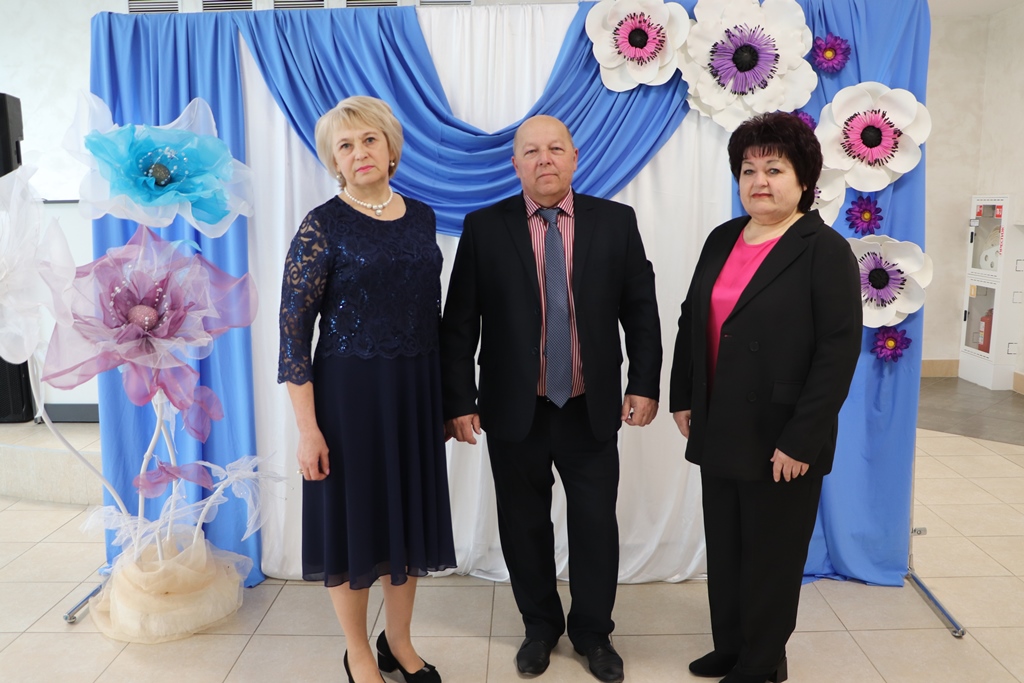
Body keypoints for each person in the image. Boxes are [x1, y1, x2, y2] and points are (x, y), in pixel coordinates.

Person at [440, 115, 662, 683]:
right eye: (532, 151)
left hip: (590, 405)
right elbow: (459, 324)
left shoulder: (615, 222)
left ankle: (593, 633)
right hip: (514, 408)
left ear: (574, 157)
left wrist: (643, 383)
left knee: (595, 525)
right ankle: (539, 627)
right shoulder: (484, 228)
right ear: (515, 163)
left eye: (556, 148)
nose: (545, 159)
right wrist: (459, 400)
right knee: (523, 525)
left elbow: (641, 310)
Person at [670, 112, 862, 683]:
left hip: (782, 433)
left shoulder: (824, 249)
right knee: (727, 548)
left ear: (803, 179)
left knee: (771, 557)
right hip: (719, 422)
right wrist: (684, 393)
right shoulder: (723, 238)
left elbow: (837, 353)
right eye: (748, 169)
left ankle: (762, 663)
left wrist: (802, 439)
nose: (759, 181)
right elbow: (691, 318)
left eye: (774, 169)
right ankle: (730, 647)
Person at [278, 96, 456, 683]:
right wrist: (308, 430)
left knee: (405, 520)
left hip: (413, 394)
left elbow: (433, 314)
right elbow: (292, 337)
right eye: (346, 145)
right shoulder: (321, 225)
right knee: (354, 526)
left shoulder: (423, 216)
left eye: (369, 140)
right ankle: (357, 651)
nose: (360, 152)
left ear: (390, 147)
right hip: (347, 401)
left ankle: (398, 642)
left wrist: (444, 401)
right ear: (334, 159)